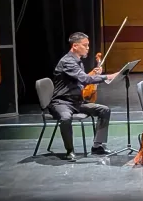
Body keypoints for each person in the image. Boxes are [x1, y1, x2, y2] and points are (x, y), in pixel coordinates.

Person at [49, 32, 119, 161]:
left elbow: (80, 81)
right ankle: (69, 150)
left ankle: (98, 146)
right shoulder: (67, 62)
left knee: (104, 110)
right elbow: (84, 79)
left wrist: (94, 76)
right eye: (85, 45)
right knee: (65, 118)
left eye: (88, 45)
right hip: (61, 102)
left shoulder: (77, 61)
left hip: (76, 102)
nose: (88, 48)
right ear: (75, 46)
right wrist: (107, 77)